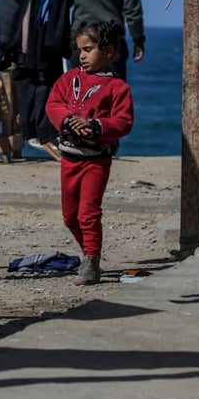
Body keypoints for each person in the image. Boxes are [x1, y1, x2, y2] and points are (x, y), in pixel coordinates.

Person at [46, 20, 134, 285]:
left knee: (88, 213)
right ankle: (89, 253)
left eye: (88, 50)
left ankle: (92, 261)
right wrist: (66, 120)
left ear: (108, 51)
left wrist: (96, 126)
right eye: (79, 50)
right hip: (69, 159)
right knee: (70, 216)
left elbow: (123, 122)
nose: (81, 56)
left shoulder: (118, 88)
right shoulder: (69, 78)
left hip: (96, 161)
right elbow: (53, 104)